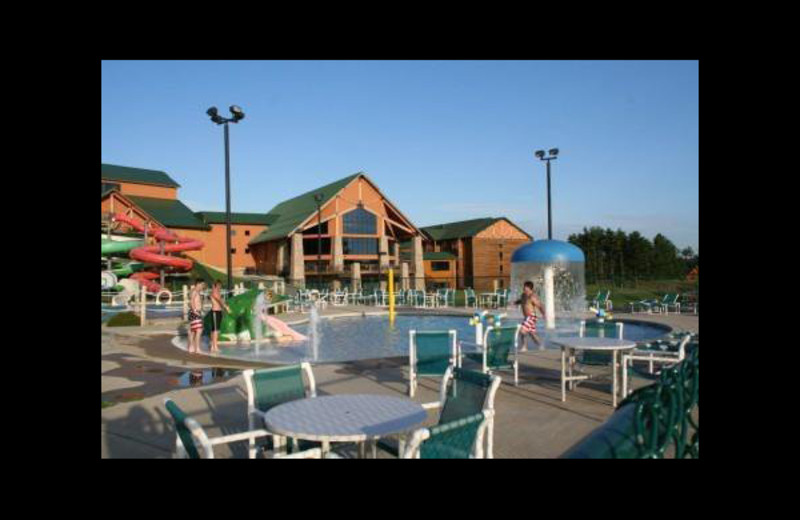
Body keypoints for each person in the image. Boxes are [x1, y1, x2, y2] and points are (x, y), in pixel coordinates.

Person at [514, 280, 545, 351]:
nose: (524, 289)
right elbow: (521, 300)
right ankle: (541, 345)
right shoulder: (523, 295)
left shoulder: (532, 297)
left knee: (522, 330)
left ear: (530, 288)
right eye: (524, 287)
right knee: (532, 333)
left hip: (531, 317)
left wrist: (544, 314)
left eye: (525, 287)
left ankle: (524, 347)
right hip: (527, 317)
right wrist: (515, 302)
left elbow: (540, 306)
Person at [209, 280, 231, 354]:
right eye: (218, 285)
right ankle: (215, 346)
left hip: (218, 312)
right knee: (215, 330)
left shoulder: (217, 292)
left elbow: (220, 301)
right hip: (215, 312)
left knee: (215, 330)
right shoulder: (214, 292)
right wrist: (226, 307)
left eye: (220, 285)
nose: (220, 287)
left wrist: (223, 309)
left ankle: (213, 346)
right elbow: (219, 300)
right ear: (215, 285)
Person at [187, 278, 206, 354]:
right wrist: (195, 310)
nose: (203, 286)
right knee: (199, 330)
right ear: (198, 284)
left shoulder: (194, 291)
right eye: (202, 285)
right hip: (195, 312)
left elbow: (191, 301)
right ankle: (197, 348)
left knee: (193, 331)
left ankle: (191, 347)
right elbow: (191, 301)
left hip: (194, 312)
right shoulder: (195, 291)